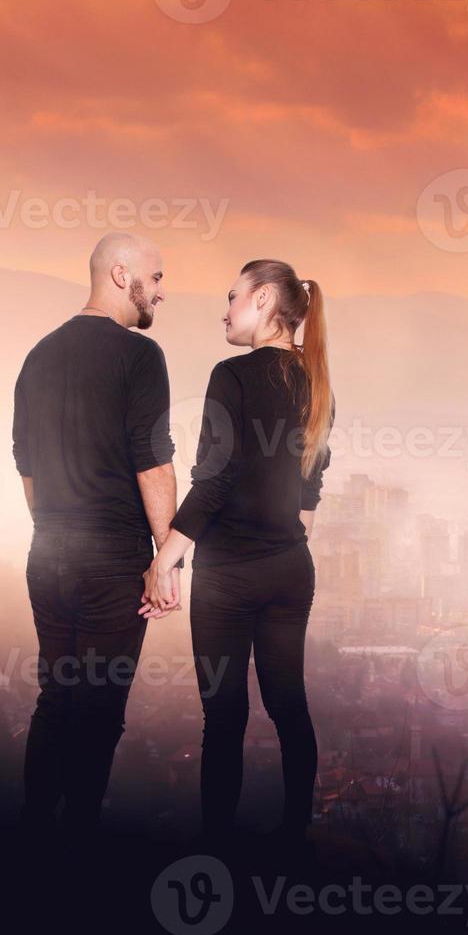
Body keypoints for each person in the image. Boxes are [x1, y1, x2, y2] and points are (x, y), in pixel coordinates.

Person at [141, 258, 332, 856]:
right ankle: (296, 836)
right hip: (289, 572)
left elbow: (214, 482)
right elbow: (308, 490)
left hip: (227, 577)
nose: (224, 310)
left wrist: (162, 562)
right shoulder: (318, 381)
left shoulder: (232, 375)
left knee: (223, 717)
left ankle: (216, 848)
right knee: (288, 705)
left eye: (232, 296)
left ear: (267, 301)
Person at [11, 232, 181, 835]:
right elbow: (153, 459)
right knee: (99, 709)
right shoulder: (139, 357)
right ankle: (78, 840)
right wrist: (167, 558)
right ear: (119, 274)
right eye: (155, 278)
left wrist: (53, 531)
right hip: (110, 562)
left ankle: (35, 832)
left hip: (46, 556)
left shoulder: (37, 355)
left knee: (56, 698)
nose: (162, 291)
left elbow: (25, 464)